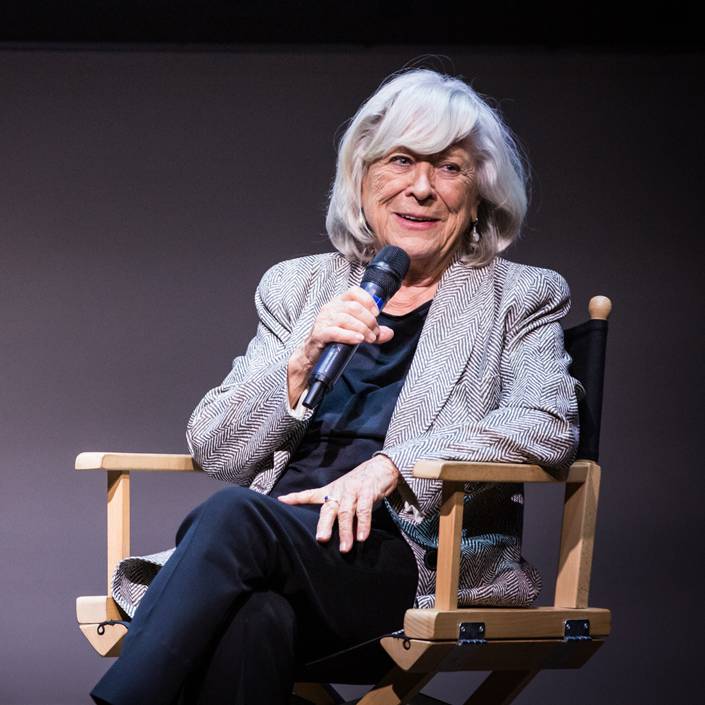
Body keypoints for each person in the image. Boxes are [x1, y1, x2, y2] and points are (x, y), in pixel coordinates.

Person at [90, 67, 581, 705]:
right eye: (401, 160)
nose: (421, 188)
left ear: (480, 192)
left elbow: (548, 424)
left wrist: (392, 466)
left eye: (449, 167)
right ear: (362, 177)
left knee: (233, 515)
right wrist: (295, 367)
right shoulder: (298, 286)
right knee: (254, 619)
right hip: (273, 549)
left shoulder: (519, 295)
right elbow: (215, 447)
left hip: (408, 561)